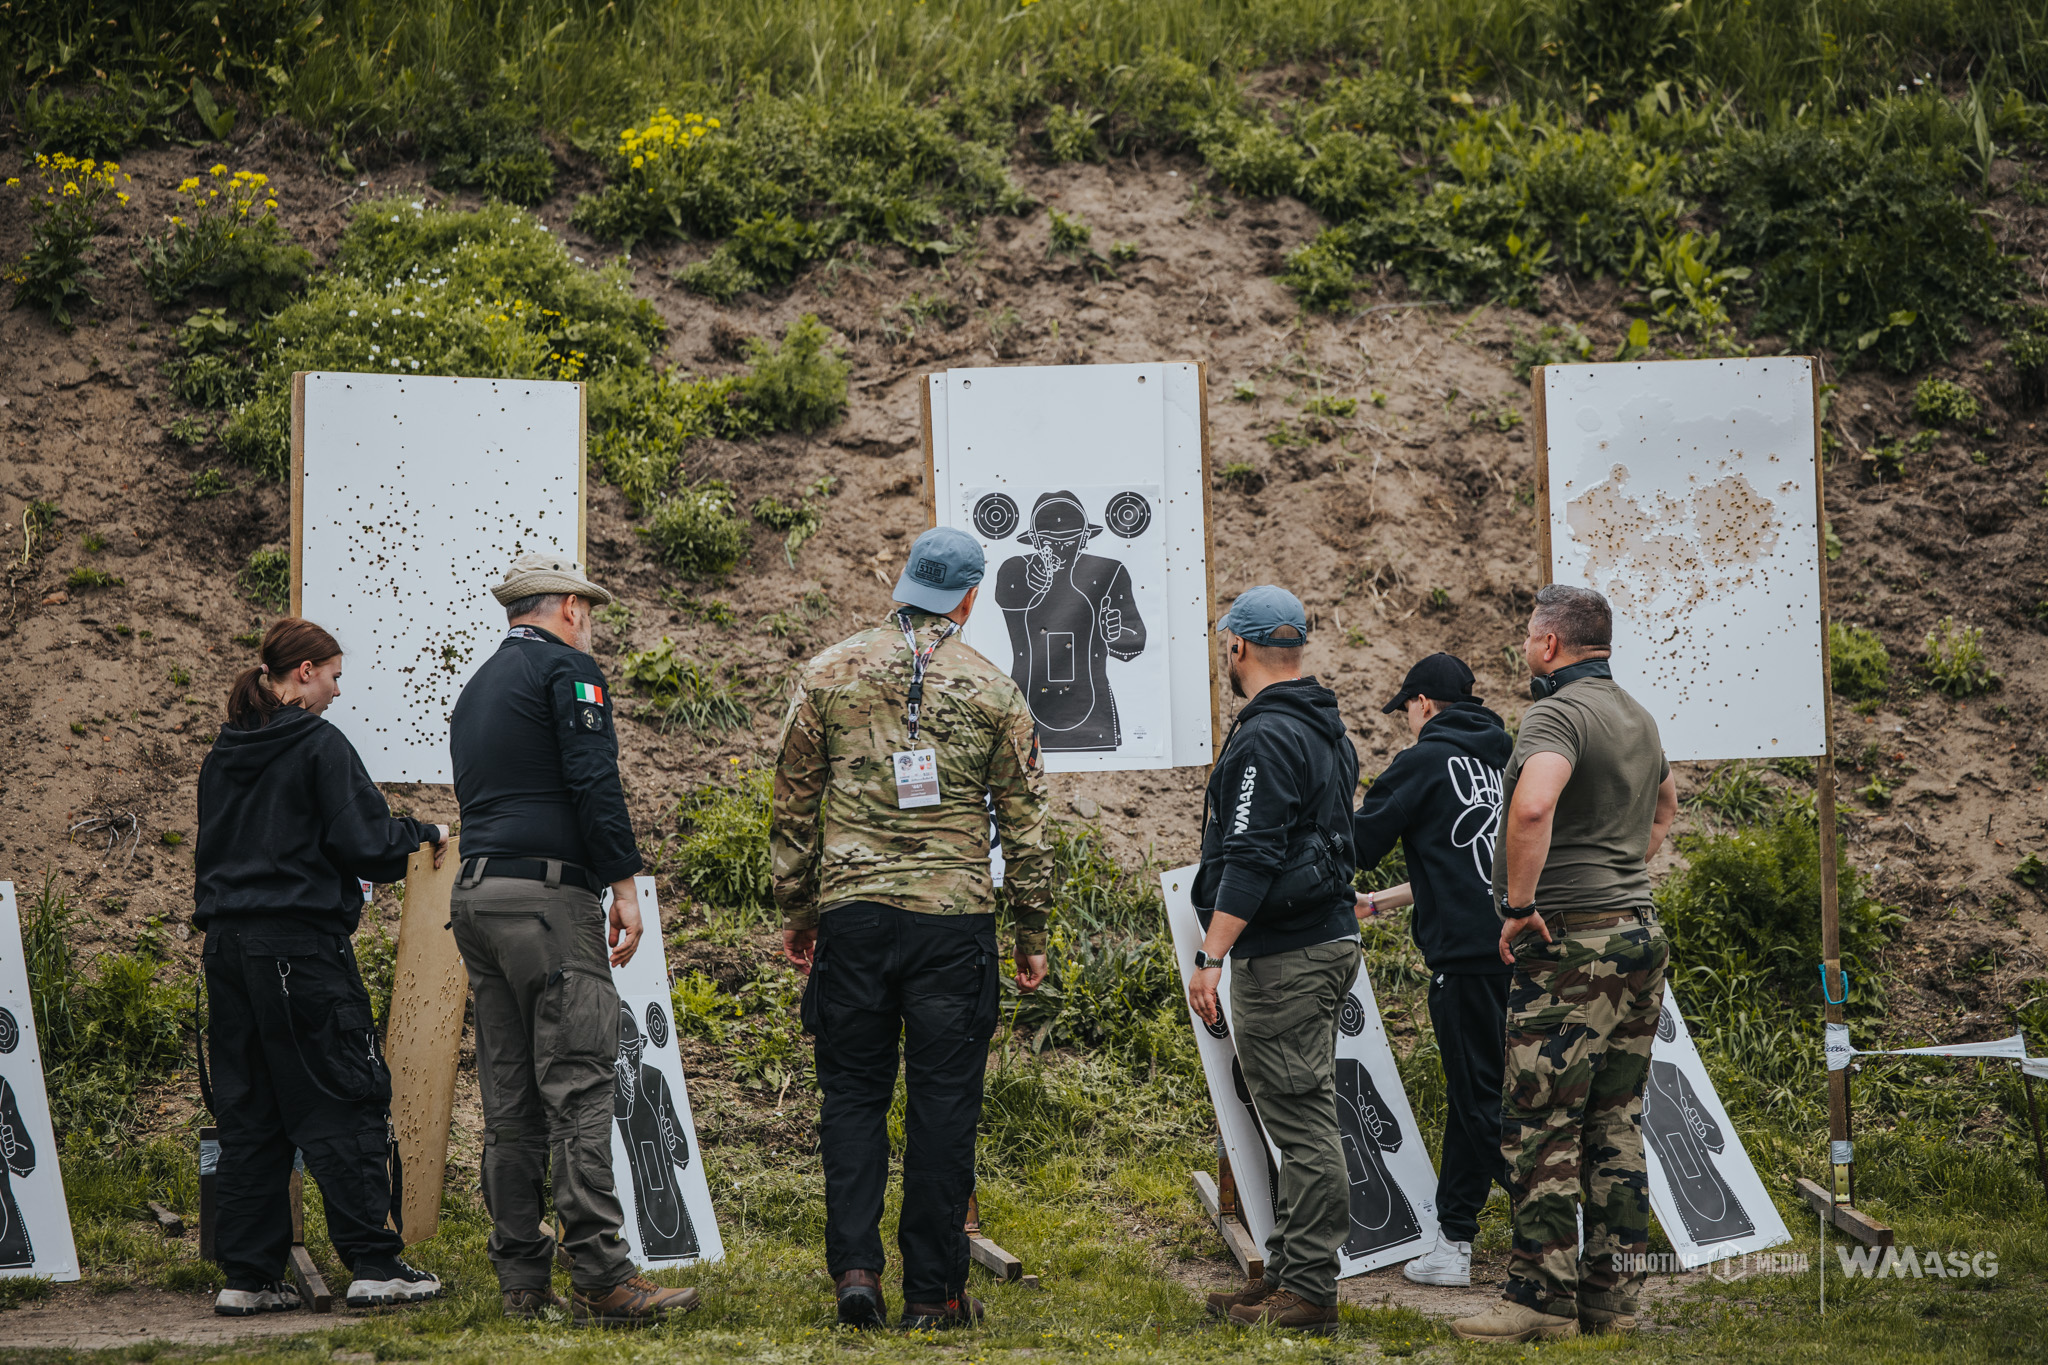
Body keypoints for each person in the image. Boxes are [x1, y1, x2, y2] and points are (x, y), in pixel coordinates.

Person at [772, 525, 1053, 1330]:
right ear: (970, 597)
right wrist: (1029, 934)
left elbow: (791, 804)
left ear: (902, 585)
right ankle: (935, 1292)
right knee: (943, 1106)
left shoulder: (826, 673)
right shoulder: (996, 691)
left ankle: (856, 1272)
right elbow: (1028, 828)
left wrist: (799, 911)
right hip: (953, 925)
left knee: (852, 1095)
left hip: (853, 918)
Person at [448, 553, 697, 1327]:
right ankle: (601, 1276)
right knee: (581, 1086)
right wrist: (623, 882)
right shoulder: (570, 674)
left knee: (510, 1095)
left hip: (478, 897)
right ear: (568, 611)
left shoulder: (477, 687)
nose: (591, 624)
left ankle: (522, 1277)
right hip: (549, 904)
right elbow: (596, 782)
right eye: (588, 611)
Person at [195, 618, 449, 1316]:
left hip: (227, 953)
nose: (338, 690)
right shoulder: (316, 745)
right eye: (333, 674)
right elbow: (365, 844)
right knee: (342, 1096)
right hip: (300, 953)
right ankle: (374, 1261)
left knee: (252, 1112)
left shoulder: (225, 751)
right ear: (302, 671)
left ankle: (248, 1276)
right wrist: (422, 834)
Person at [1450, 585, 1678, 1344]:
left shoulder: (1557, 713)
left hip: (1573, 943)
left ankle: (1539, 1302)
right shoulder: (1635, 715)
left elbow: (1534, 804)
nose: (1524, 648)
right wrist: (1623, 872)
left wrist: (1519, 905)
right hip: (1639, 932)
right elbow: (1666, 806)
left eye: (1527, 636)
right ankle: (1610, 1299)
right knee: (1616, 1117)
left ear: (1550, 644)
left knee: (1543, 1118)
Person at [1187, 585, 1360, 1335]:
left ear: (1239, 649)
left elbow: (1252, 855)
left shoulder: (1264, 737)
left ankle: (1311, 1290)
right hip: (1319, 939)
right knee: (1300, 1109)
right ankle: (1288, 1272)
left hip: (1285, 952)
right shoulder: (1326, 727)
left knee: (1302, 1120)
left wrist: (1210, 955)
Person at [1349, 653, 1512, 1288]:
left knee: (1481, 1103)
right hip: (1517, 950)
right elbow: (1461, 864)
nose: (1406, 722)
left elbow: (1361, 845)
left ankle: (1562, 1222)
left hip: (1466, 960)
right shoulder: (1505, 756)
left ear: (1421, 704)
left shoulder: (1421, 761)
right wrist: (1381, 903)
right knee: (1477, 1096)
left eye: (1405, 711)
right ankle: (1454, 1242)